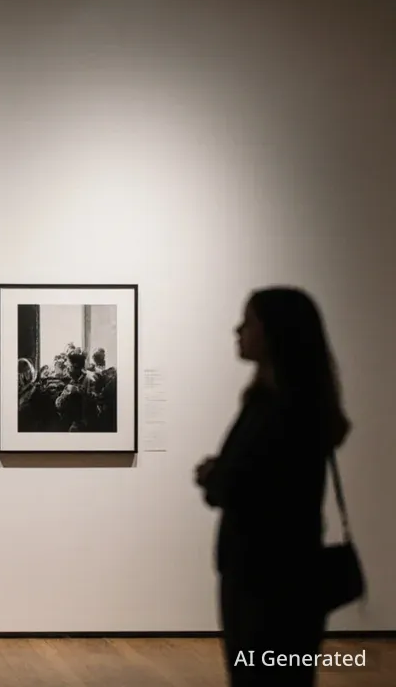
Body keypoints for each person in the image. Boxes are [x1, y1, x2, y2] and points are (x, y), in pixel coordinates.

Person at [195, 287, 351, 687]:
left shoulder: (277, 410)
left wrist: (213, 475)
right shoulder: (301, 406)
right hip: (285, 572)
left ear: (275, 332)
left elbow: (241, 484)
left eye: (249, 322)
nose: (238, 330)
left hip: (264, 579)